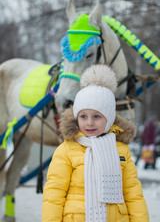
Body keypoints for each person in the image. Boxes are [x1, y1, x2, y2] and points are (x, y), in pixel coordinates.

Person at [42, 65, 149, 222]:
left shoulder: (121, 150)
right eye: (83, 116)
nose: (89, 123)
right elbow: (54, 195)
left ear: (109, 117)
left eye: (97, 116)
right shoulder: (66, 150)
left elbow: (133, 193)